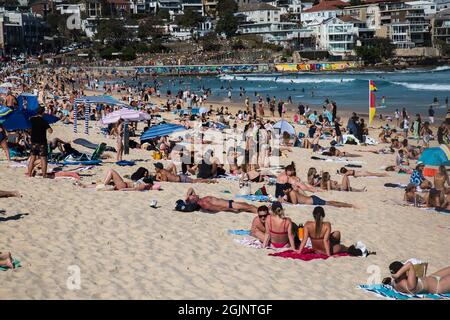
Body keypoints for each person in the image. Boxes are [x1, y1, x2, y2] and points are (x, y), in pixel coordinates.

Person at [382, 261, 450, 294]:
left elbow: (389, 282)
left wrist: (394, 277)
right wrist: (397, 274)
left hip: (433, 277)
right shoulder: (409, 285)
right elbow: (409, 264)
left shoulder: (395, 283)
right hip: (439, 286)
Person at [185, 188, 257, 213]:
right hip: (231, 205)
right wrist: (231, 209)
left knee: (248, 206)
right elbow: (218, 208)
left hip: (230, 203)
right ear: (194, 200)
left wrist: (187, 197)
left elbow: (191, 189)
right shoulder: (204, 203)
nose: (194, 194)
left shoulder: (200, 200)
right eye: (193, 196)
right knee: (250, 207)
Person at [280, 183, 354, 208]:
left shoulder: (292, 193)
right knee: (329, 202)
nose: (285, 191)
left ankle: (348, 205)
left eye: (286, 190)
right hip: (312, 199)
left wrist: (284, 202)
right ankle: (348, 205)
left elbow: (295, 204)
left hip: (313, 201)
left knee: (330, 204)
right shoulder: (290, 192)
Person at [27, 106, 53, 178]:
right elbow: (50, 131)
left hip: (34, 142)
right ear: (43, 112)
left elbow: (28, 129)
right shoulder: (44, 121)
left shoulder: (31, 119)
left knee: (32, 158)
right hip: (42, 142)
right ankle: (44, 175)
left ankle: (29, 174)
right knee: (43, 159)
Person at [76, 168, 154, 191]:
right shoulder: (142, 182)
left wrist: (123, 190)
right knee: (106, 183)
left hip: (123, 185)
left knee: (111, 171)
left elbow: (134, 189)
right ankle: (86, 186)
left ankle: (103, 185)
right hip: (122, 184)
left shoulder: (143, 186)